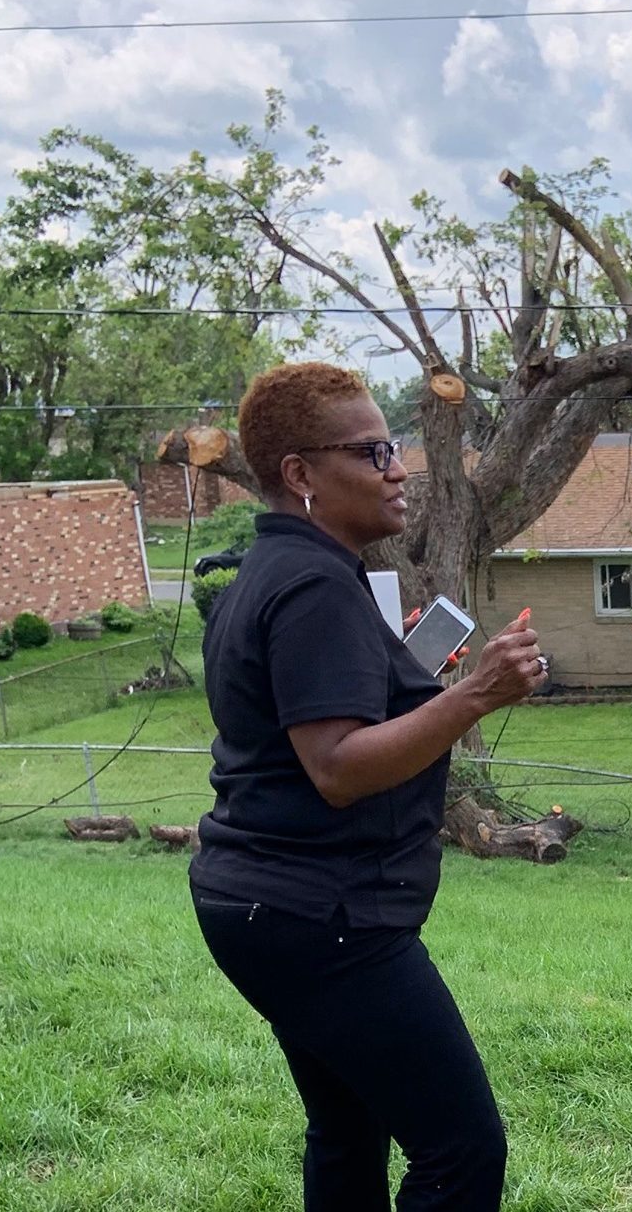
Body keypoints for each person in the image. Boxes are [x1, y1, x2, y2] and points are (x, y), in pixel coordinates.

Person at [190, 361, 547, 1211]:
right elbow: (339, 767)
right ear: (301, 475)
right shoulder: (317, 586)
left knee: (347, 1128)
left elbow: (315, 721)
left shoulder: (269, 575)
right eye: (373, 450)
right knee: (461, 1148)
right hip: (325, 919)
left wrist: (411, 674)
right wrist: (474, 694)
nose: (398, 468)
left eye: (397, 447)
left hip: (259, 907)